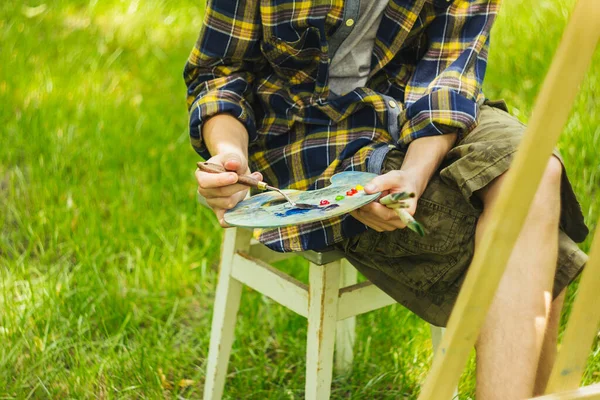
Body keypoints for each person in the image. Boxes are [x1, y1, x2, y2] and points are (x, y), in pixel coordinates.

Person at [185, 0, 589, 398]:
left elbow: (449, 76)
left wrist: (414, 174)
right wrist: (229, 152)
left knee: (536, 173)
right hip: (311, 134)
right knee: (534, 245)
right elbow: (221, 71)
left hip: (424, 109)